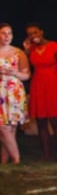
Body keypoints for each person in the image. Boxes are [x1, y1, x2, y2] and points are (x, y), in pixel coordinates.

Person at [24, 23, 57, 161]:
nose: (33, 36)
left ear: (41, 32)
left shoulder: (56, 47)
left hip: (54, 85)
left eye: (35, 32)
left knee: (55, 121)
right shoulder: (30, 49)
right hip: (38, 85)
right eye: (30, 34)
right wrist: (26, 51)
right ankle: (46, 155)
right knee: (41, 122)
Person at [0, 23, 30, 164]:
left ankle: (5, 159)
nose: (7, 36)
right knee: (2, 126)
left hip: (14, 91)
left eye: (9, 33)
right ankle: (16, 158)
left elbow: (27, 75)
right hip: (0, 90)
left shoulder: (18, 53)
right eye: (3, 33)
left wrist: (16, 73)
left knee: (11, 126)